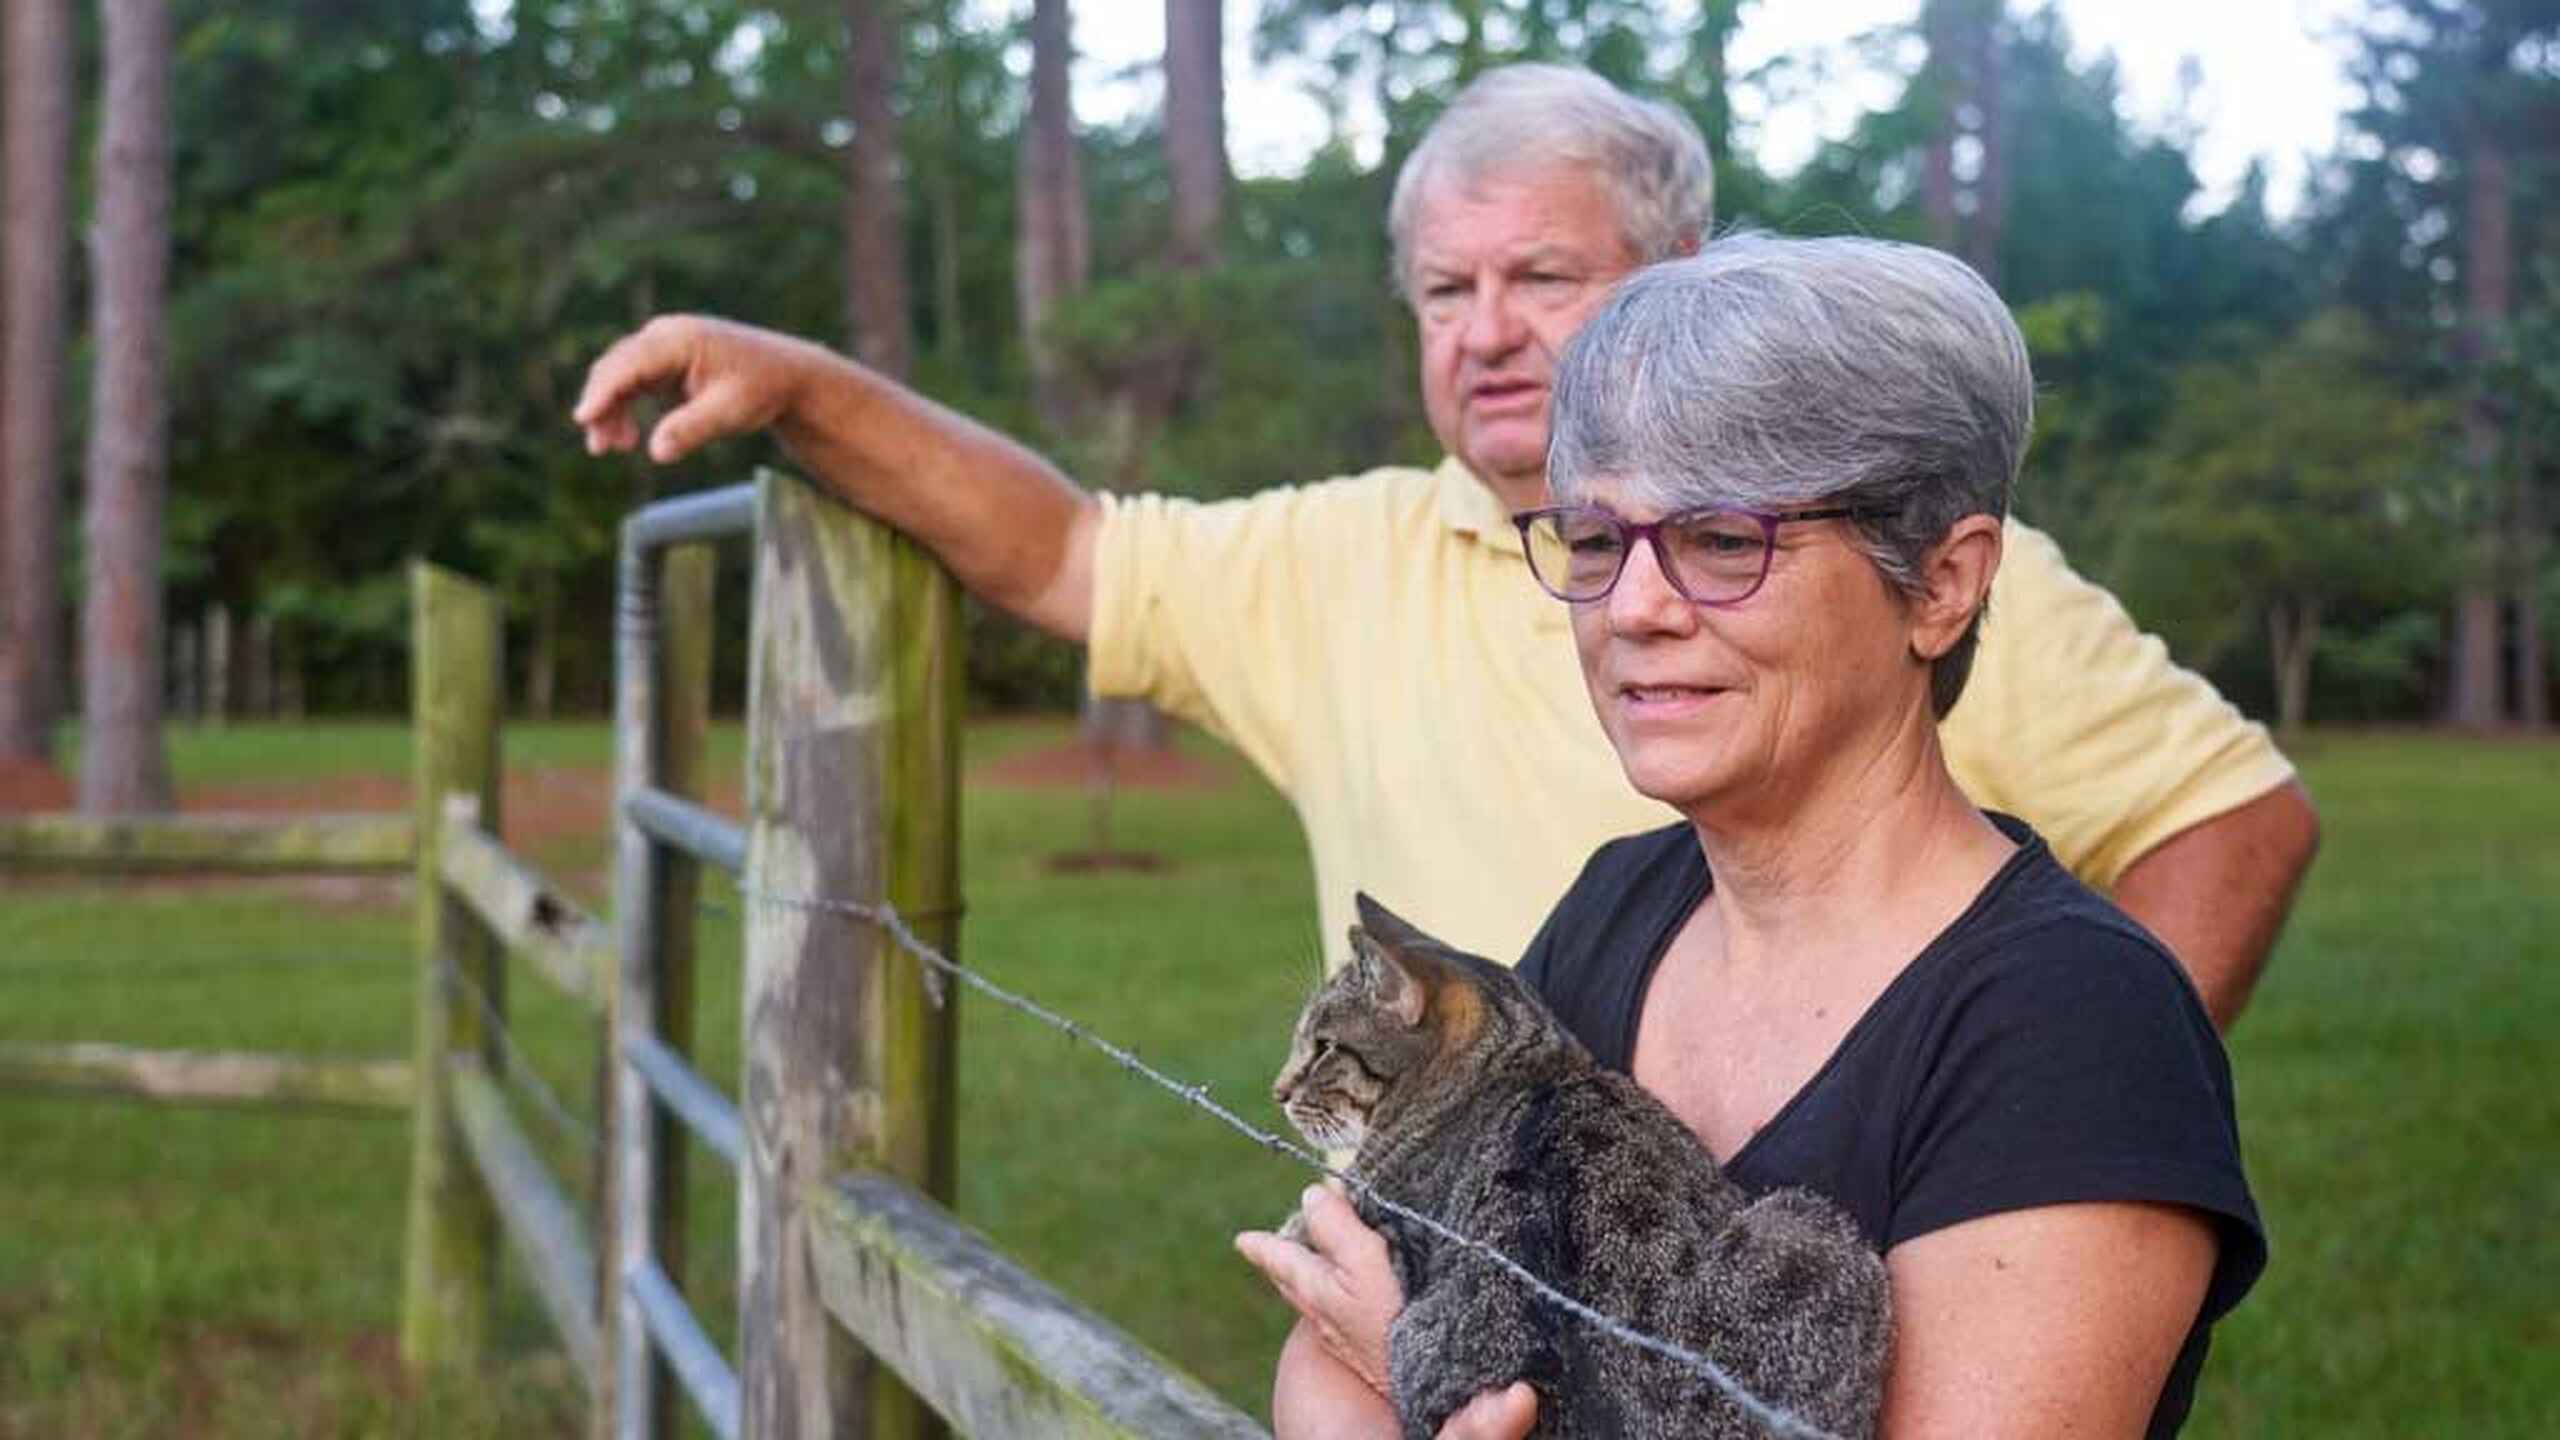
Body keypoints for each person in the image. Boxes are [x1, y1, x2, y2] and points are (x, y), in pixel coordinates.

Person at [573, 63, 2317, 1028]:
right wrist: (804, 385)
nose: (1488, 333)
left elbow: (2232, 824)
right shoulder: (1338, 564)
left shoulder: (1863, 561)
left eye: (1545, 280)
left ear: (1679, 270)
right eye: (1445, 290)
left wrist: (2031, 1153)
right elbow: (1052, 550)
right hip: (1434, 1327)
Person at [1239, 234, 2264, 1439]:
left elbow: (1385, 1343)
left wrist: (1420, 1369)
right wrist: (1402, 1365)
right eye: (1597, 539)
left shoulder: (2071, 1024)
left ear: (1941, 583)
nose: (1632, 610)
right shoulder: (1624, 903)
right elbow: (1318, 1363)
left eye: (1725, 542)